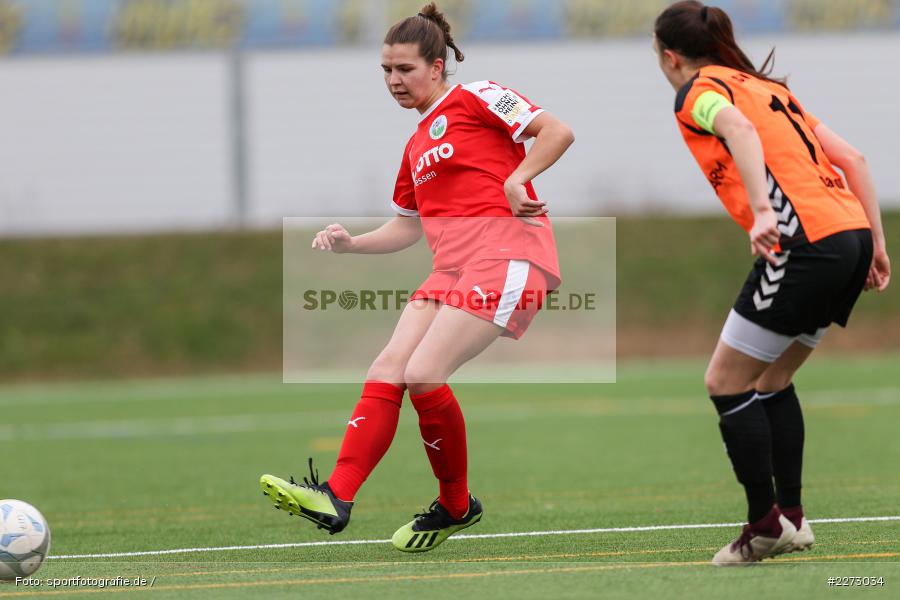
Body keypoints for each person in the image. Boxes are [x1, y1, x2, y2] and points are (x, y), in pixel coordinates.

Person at [260, 2, 574, 553]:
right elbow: (407, 227)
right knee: (390, 367)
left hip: (508, 253)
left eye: (404, 69)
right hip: (451, 269)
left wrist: (517, 179)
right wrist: (352, 243)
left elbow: (556, 131)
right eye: (385, 70)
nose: (393, 80)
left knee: (424, 371)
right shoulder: (415, 146)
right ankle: (337, 495)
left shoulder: (477, 95)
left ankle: (456, 502)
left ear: (437, 66)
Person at [653, 1, 891, 565]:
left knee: (725, 382)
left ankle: (764, 526)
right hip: (848, 235)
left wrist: (762, 210)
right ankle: (793, 518)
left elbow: (733, 128)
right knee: (773, 381)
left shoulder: (699, 91)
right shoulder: (766, 89)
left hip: (804, 243)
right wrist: (877, 246)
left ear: (669, 56)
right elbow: (853, 159)